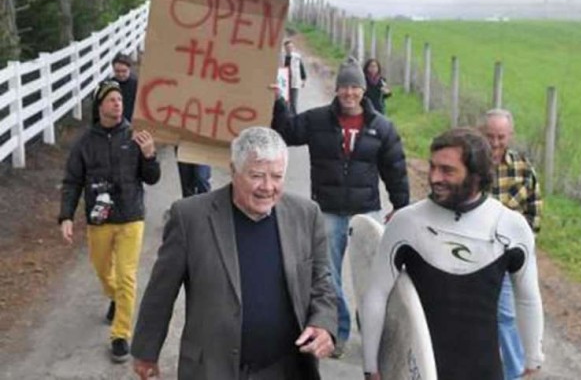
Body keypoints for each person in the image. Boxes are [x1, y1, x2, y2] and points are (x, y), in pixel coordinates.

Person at [131, 127, 337, 380]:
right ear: (233, 170)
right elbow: (160, 292)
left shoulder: (306, 214)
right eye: (257, 175)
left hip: (286, 369)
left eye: (277, 176)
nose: (267, 187)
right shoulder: (190, 217)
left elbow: (322, 281)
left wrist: (324, 323)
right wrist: (146, 352)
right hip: (213, 368)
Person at [361, 128, 544, 380]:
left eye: (447, 170)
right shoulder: (407, 222)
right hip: (416, 368)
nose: (435, 177)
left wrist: (533, 356)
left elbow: (527, 298)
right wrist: (371, 365)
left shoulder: (509, 226)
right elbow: (376, 293)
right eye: (432, 167)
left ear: (477, 175)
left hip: (483, 370)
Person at [271, 56, 410, 357]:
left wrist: (401, 204)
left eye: (355, 87)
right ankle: (338, 333)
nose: (349, 93)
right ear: (337, 90)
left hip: (366, 212)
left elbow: (395, 168)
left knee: (373, 279)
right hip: (328, 211)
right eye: (344, 87)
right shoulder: (317, 120)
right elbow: (286, 132)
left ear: (363, 90)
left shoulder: (381, 127)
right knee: (328, 278)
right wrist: (277, 102)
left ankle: (374, 334)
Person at [58, 80, 161, 363]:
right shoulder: (84, 143)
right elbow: (72, 181)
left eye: (120, 99)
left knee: (127, 276)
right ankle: (115, 297)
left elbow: (152, 177)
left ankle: (120, 334)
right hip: (99, 220)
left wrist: (150, 155)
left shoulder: (136, 136)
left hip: (131, 216)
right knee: (104, 272)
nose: (118, 103)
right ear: (100, 105)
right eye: (112, 99)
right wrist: (66, 216)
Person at [483, 108, 543, 380]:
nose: (495, 143)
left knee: (506, 317)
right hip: (473, 255)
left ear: (510, 136)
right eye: (490, 136)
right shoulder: (469, 163)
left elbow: (534, 208)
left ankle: (514, 373)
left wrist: (524, 249)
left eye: (501, 137)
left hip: (506, 258)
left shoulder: (522, 167)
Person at [110, 53, 138, 123]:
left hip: (131, 123)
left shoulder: (136, 85)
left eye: (124, 71)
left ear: (130, 69)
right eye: (117, 71)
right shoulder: (108, 86)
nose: (120, 74)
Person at [282, 39, 307, 115]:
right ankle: (285, 116)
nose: (289, 49)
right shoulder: (282, 57)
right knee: (284, 101)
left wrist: (303, 79)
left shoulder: (297, 57)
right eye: (287, 47)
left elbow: (301, 68)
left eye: (290, 47)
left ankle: (294, 117)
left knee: (293, 102)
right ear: (285, 48)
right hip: (284, 81)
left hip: (294, 81)